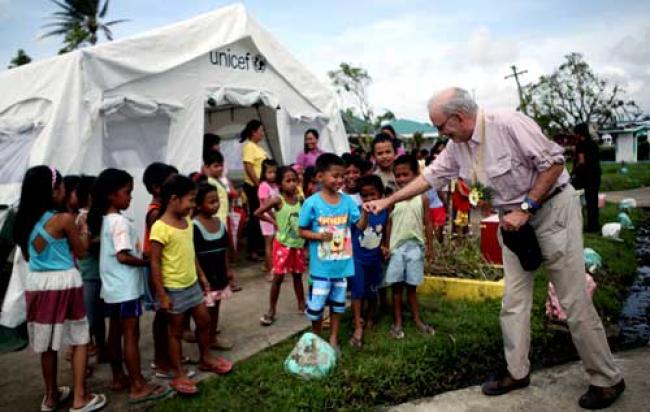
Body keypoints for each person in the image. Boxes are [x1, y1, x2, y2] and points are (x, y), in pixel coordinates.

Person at [364, 87, 624, 409]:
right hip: (513, 224)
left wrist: (526, 208)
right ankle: (517, 371)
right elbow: (429, 178)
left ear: (458, 118)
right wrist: (387, 201)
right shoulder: (456, 147)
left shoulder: (509, 124)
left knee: (572, 299)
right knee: (513, 300)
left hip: (552, 210)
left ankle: (606, 379)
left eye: (442, 125)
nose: (440, 132)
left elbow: (554, 164)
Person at [13, 165, 106, 412]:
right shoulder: (64, 219)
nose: (66, 190)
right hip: (65, 281)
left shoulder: (22, 222)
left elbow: (29, 255)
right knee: (79, 338)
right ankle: (79, 399)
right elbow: (82, 251)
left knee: (47, 344)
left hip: (38, 284)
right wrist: (84, 228)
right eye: (63, 186)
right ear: (53, 192)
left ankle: (51, 396)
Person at [88, 168, 169, 403]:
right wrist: (145, 262)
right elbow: (123, 256)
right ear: (112, 196)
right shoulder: (120, 222)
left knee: (115, 334)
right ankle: (137, 384)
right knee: (131, 337)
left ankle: (118, 377)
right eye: (127, 192)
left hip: (111, 289)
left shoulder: (104, 220)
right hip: (126, 289)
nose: (130, 197)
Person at [150, 174, 233, 395]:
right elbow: (155, 262)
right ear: (174, 199)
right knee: (175, 332)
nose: (193, 205)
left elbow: (191, 252)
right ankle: (178, 373)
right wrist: (162, 294)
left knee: (204, 321)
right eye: (190, 199)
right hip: (174, 288)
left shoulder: (187, 223)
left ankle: (205, 357)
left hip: (193, 284)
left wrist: (201, 276)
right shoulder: (160, 227)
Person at [298, 153, 367, 349]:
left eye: (342, 176)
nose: (340, 180)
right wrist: (318, 236)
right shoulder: (311, 203)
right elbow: (301, 231)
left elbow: (360, 226)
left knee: (337, 306)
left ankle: (334, 338)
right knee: (317, 308)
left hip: (342, 267)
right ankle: (316, 338)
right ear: (320, 177)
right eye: (335, 176)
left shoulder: (347, 202)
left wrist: (366, 212)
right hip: (320, 269)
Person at [384, 155, 434, 339]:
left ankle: (417, 320)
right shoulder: (393, 199)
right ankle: (397, 322)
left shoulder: (423, 199)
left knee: (412, 287)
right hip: (396, 248)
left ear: (416, 175)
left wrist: (430, 247)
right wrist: (387, 246)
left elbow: (427, 223)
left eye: (406, 174)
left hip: (415, 248)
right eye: (398, 175)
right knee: (396, 287)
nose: (401, 179)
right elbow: (388, 224)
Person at [142, 162, 184, 379]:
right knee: (162, 315)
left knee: (171, 314)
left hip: (169, 268)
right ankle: (161, 360)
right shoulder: (155, 213)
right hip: (158, 270)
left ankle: (170, 354)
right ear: (157, 188)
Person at [256, 167, 306, 326]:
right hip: (283, 245)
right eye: (288, 181)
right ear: (280, 184)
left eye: (294, 180)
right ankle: (271, 310)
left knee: (298, 276)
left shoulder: (300, 199)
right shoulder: (278, 200)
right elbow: (258, 212)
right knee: (278, 278)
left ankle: (302, 304)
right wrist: (274, 222)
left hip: (297, 245)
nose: (292, 184)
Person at [193, 183, 234, 350]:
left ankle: (212, 338)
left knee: (216, 306)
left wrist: (228, 269)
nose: (216, 205)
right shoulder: (194, 226)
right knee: (203, 312)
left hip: (219, 274)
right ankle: (203, 341)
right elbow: (193, 254)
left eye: (217, 201)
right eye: (211, 202)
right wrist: (201, 275)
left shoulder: (219, 223)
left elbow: (225, 250)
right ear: (198, 204)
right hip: (205, 276)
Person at [349, 175, 388, 348]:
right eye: (365, 195)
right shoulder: (357, 211)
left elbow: (386, 230)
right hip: (357, 258)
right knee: (357, 292)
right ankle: (358, 324)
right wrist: (365, 212)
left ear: (381, 194)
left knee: (372, 291)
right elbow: (360, 227)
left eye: (373, 195)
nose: (369, 199)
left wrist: (385, 246)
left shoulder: (385, 211)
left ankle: (370, 317)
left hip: (374, 259)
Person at [75, 175, 108, 363]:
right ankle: (86, 352)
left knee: (99, 316)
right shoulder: (83, 217)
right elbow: (85, 245)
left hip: (100, 272)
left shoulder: (98, 215)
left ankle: (102, 349)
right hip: (89, 273)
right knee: (91, 317)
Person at [202, 150, 241, 292]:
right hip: (216, 221)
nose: (219, 169)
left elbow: (233, 194)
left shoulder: (221, 181)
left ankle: (228, 279)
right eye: (215, 166)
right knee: (220, 253)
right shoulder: (208, 183)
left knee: (226, 251)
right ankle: (226, 280)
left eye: (221, 166)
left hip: (224, 219)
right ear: (207, 167)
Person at [240, 119, 269, 262]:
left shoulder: (258, 147)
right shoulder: (249, 146)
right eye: (261, 131)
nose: (262, 134)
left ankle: (260, 247)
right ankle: (252, 250)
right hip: (253, 187)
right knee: (255, 217)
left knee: (261, 216)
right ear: (253, 132)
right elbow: (248, 166)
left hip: (260, 186)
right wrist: (258, 184)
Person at [572, 122, 601, 232]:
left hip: (585, 177)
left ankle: (574, 222)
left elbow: (581, 161)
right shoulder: (593, 143)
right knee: (592, 202)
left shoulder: (580, 145)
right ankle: (594, 226)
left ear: (579, 133)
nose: (574, 135)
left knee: (569, 195)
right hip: (595, 175)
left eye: (575, 133)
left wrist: (573, 171)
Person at [258, 159, 279, 277]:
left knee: (274, 244)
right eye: (269, 172)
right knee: (269, 244)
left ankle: (269, 266)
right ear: (264, 173)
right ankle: (271, 270)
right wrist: (275, 218)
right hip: (266, 218)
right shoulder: (263, 186)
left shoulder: (275, 185)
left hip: (275, 217)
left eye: (274, 172)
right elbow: (266, 206)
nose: (272, 175)